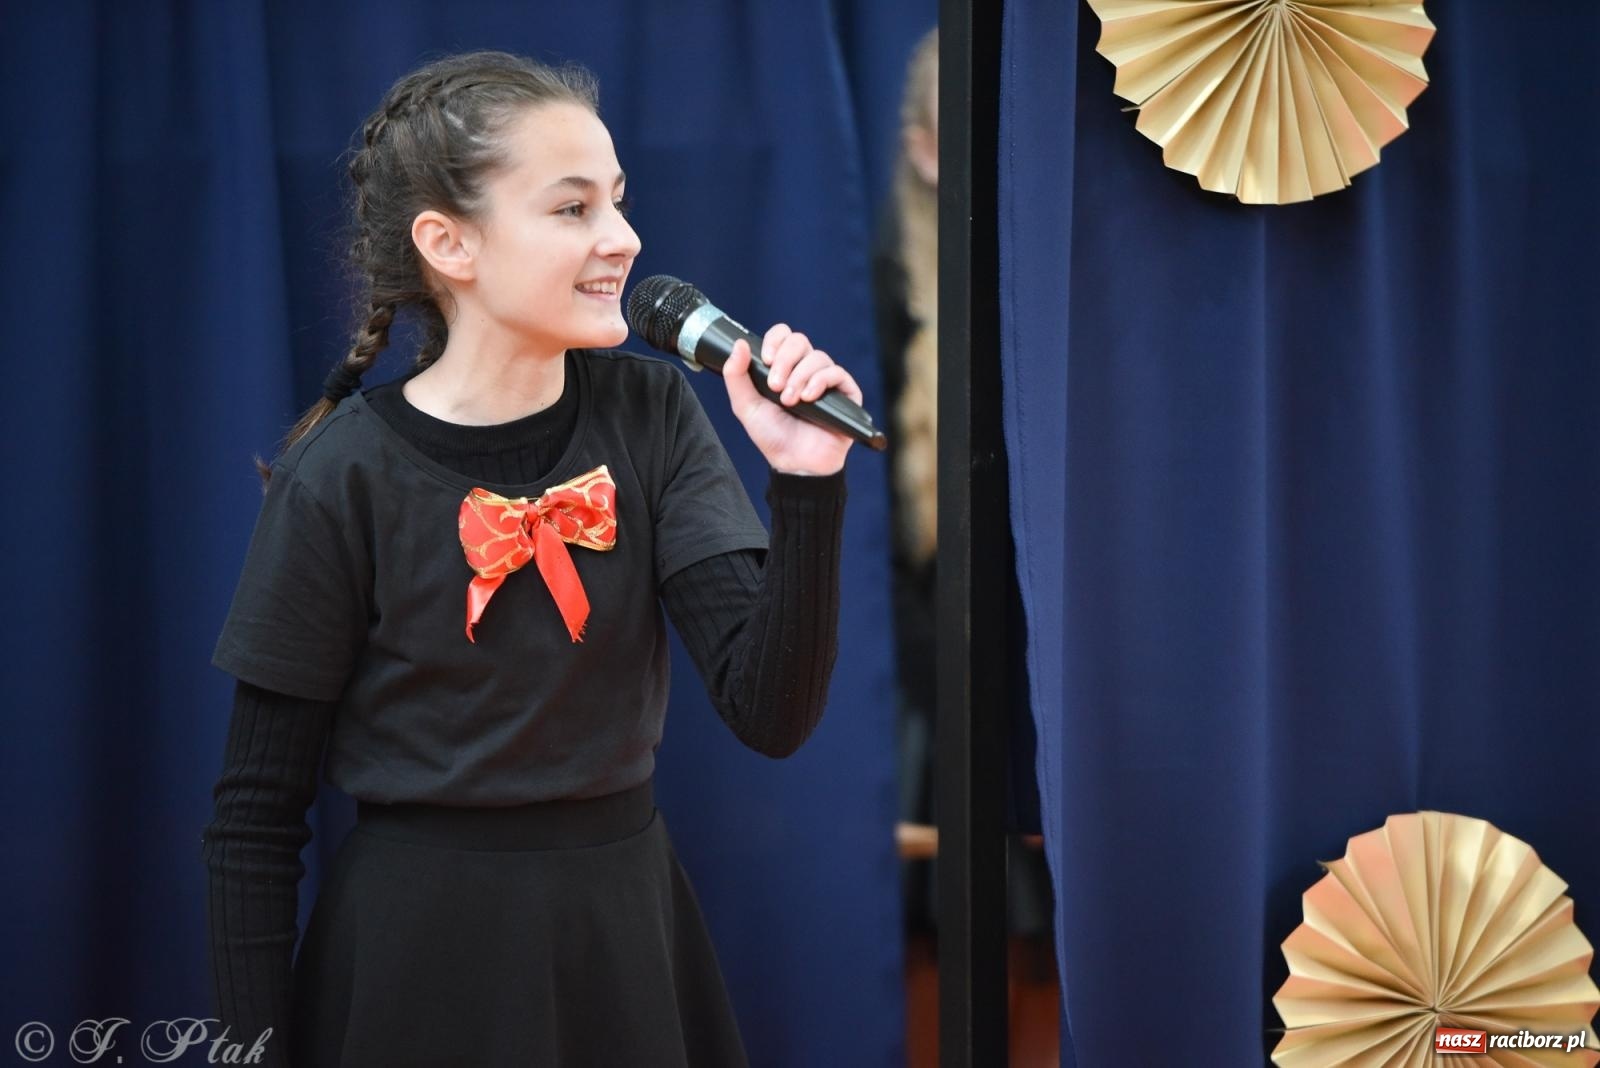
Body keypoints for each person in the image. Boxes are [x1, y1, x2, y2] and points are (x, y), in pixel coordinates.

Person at [201, 50, 860, 1067]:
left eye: (619, 201)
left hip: (622, 939)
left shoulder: (651, 414)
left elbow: (770, 715)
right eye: (573, 208)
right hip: (418, 959)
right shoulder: (342, 474)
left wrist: (806, 484)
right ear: (448, 243)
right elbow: (253, 821)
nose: (622, 237)